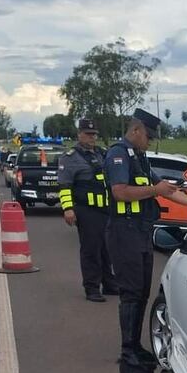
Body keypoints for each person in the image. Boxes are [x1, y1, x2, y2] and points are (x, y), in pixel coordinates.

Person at [104, 109, 187, 373]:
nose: (150, 141)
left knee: (142, 292)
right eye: (148, 136)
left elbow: (166, 191)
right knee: (131, 292)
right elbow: (120, 192)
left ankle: (134, 344)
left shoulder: (140, 158)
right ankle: (128, 348)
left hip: (141, 232)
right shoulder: (118, 155)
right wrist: (153, 189)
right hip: (124, 231)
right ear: (136, 130)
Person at [58, 118, 117, 303]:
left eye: (94, 135)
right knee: (91, 249)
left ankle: (109, 283)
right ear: (79, 135)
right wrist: (68, 209)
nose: (91, 138)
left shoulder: (102, 154)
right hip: (86, 210)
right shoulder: (70, 158)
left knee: (107, 249)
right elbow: (64, 186)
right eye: (88, 134)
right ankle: (91, 287)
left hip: (106, 209)